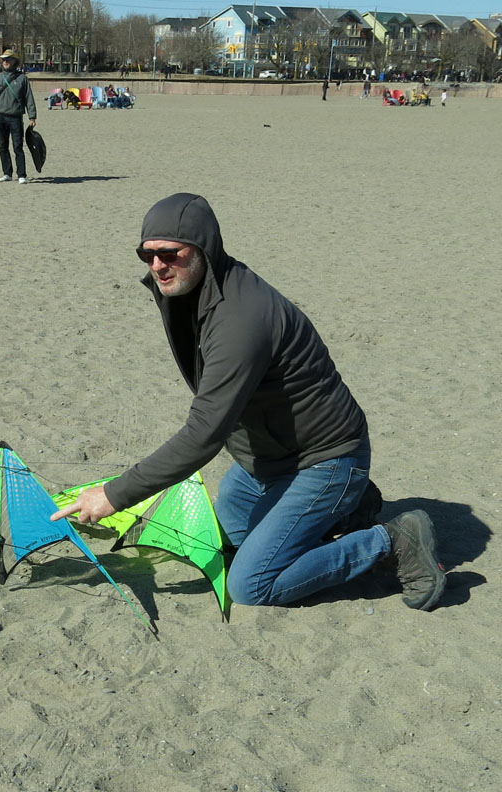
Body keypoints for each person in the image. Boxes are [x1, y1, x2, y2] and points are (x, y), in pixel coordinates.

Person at [51, 193, 446, 612]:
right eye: (146, 254)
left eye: (170, 254)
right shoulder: (193, 287)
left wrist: (113, 494)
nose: (157, 266)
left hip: (327, 457)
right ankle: (348, 510)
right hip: (267, 458)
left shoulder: (241, 318)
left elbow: (203, 434)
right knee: (234, 534)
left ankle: (390, 541)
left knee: (252, 584)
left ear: (204, 248)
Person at [0, 48, 37, 184]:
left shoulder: (22, 79)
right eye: (4, 59)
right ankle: (7, 173)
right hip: (0, 117)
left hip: (15, 117)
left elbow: (29, 98)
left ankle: (21, 174)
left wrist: (32, 116)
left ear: (14, 61)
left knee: (18, 147)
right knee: (2, 146)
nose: (5, 62)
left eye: (8, 59)